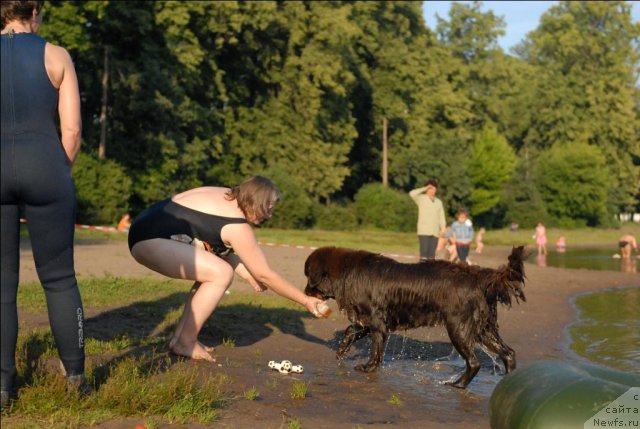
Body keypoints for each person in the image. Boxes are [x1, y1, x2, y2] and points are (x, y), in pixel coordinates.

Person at [127, 176, 326, 362]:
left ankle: (181, 339)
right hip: (149, 241)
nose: (270, 215)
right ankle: (185, 343)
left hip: (143, 228)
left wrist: (248, 275)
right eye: (269, 208)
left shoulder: (226, 197)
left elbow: (215, 247)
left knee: (211, 270)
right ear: (257, 202)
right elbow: (265, 274)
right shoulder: (237, 226)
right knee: (220, 273)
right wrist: (306, 300)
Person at [1, 0, 85, 407]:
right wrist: (56, 172)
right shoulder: (56, 55)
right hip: (46, 168)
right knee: (58, 277)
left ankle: (2, 386)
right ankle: (75, 379)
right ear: (33, 11)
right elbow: (71, 130)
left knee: (1, 285)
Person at [409, 179, 446, 260]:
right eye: (430, 188)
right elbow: (411, 193)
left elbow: (441, 217)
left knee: (432, 255)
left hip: (435, 232)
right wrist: (425, 188)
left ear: (436, 189)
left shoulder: (439, 202)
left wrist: (443, 229)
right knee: (424, 254)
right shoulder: (421, 198)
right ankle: (421, 272)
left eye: (433, 188)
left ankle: (430, 272)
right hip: (424, 231)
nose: (431, 190)